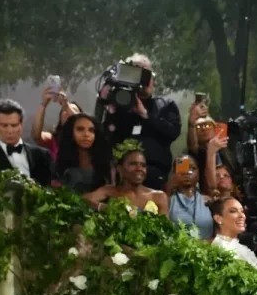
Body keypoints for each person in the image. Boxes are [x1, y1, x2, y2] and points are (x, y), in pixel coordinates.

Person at [95, 54, 181, 191]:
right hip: (123, 176)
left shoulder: (165, 105)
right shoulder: (119, 105)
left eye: (146, 76)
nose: (143, 81)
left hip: (155, 174)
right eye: (137, 75)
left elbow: (173, 132)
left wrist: (145, 115)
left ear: (153, 79)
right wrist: (109, 101)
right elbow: (107, 137)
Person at [0, 100, 54, 186]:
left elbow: (50, 188)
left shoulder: (42, 155)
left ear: (21, 125)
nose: (10, 131)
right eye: (4, 125)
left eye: (14, 125)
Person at [83, 141, 167, 213]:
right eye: (133, 164)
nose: (139, 169)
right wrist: (104, 207)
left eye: (143, 165)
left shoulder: (159, 196)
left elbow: (165, 226)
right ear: (120, 168)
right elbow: (83, 200)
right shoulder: (109, 191)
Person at [208, 197, 257, 272]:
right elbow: (254, 275)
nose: (242, 216)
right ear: (218, 219)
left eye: (242, 211)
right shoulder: (220, 246)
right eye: (233, 211)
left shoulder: (238, 245)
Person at [53, 113, 111, 195]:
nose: (86, 134)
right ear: (71, 132)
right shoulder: (62, 161)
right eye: (80, 129)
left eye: (91, 130)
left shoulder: (105, 162)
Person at [165, 157, 212, 239]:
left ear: (198, 175)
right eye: (183, 168)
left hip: (206, 245)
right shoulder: (168, 200)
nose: (187, 172)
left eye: (192, 168)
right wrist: (170, 185)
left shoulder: (207, 200)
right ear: (174, 173)